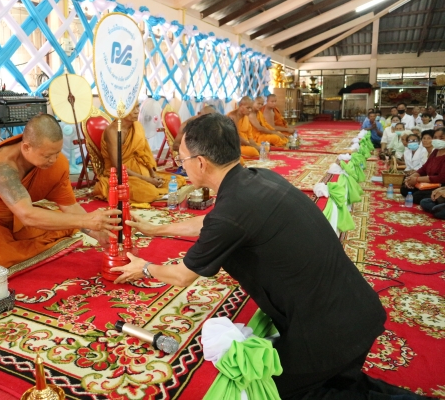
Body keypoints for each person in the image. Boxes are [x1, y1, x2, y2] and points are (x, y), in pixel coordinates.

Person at [110, 113, 428, 400]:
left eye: (182, 159)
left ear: (201, 163)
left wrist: (145, 268)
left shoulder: (231, 211)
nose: (182, 166)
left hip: (329, 332)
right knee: (344, 383)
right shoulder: (259, 179)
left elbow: (182, 274)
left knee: (282, 390)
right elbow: (211, 222)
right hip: (354, 308)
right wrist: (157, 229)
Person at [0, 114, 121, 272]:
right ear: (26, 147)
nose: (53, 160)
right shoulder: (3, 167)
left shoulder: (56, 163)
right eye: (47, 155)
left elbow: (70, 206)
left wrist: (96, 232)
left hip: (19, 217)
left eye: (57, 153)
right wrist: (85, 220)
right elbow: (27, 215)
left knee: (66, 223)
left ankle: (20, 239)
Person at [94, 102, 187, 204]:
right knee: (149, 193)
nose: (137, 111)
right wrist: (147, 180)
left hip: (141, 170)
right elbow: (118, 166)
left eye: (137, 107)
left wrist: (152, 174)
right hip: (122, 175)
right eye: (132, 108)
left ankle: (154, 187)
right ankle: (154, 189)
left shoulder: (137, 126)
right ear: (121, 110)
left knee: (178, 180)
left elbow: (143, 153)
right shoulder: (113, 131)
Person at [402, 127, 445, 203]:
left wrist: (416, 179)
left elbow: (441, 178)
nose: (437, 140)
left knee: (417, 197)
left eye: (441, 138)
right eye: (435, 138)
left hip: (440, 185)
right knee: (404, 189)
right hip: (428, 183)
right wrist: (412, 177)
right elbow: (424, 168)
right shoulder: (435, 151)